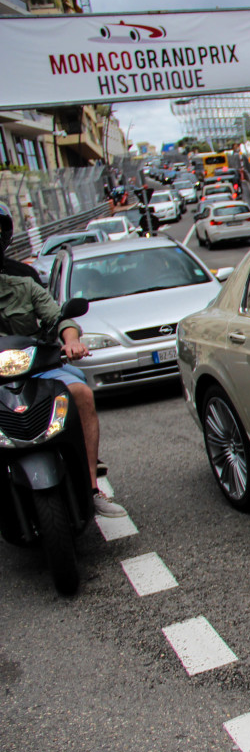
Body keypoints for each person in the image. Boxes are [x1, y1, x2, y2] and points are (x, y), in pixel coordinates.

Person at [0, 203, 127, 517]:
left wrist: (71, 341)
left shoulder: (24, 283)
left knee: (82, 394)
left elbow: (60, 319)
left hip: (38, 371)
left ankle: (90, 486)